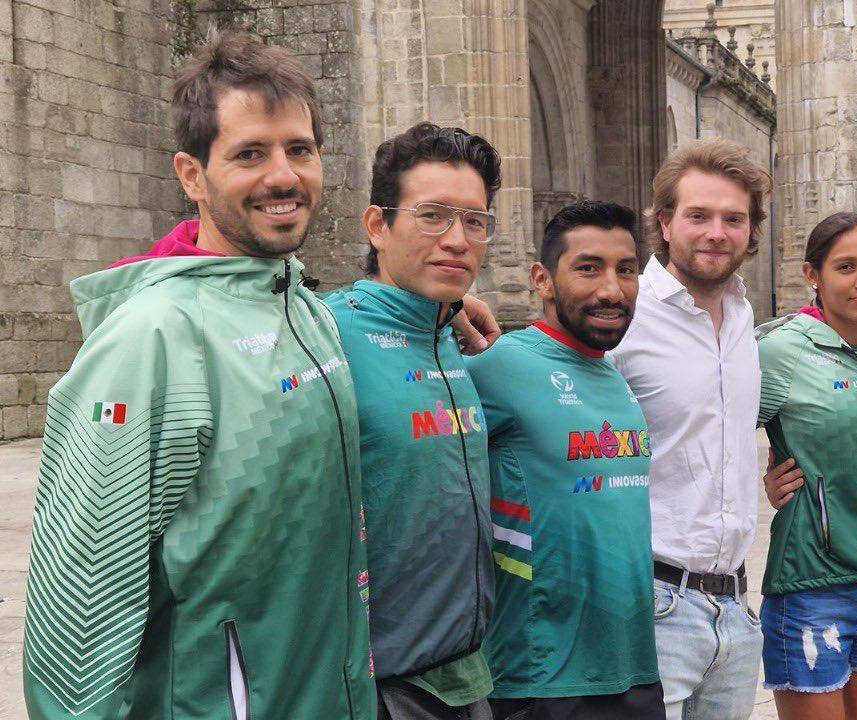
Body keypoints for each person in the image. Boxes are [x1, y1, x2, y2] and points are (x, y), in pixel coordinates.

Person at [23, 33, 378, 719]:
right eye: (250, 154)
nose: (284, 176)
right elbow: (82, 599)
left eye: (299, 150)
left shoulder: (307, 310)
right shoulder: (151, 339)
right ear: (191, 175)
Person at [326, 122, 503, 720]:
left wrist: (448, 311)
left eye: (475, 222)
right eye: (433, 216)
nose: (457, 239)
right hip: (377, 685)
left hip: (465, 674)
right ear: (378, 226)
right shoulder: (322, 334)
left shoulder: (451, 332)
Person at [466, 201, 663, 719]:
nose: (611, 290)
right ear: (542, 280)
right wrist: (445, 316)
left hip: (635, 669)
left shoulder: (616, 376)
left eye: (626, 270)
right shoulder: (500, 366)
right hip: (543, 679)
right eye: (588, 268)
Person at [608, 139, 770, 720]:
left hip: (736, 607)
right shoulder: (624, 313)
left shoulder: (745, 316)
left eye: (734, 219)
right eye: (698, 215)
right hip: (653, 605)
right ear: (665, 222)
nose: (716, 233)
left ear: (753, 232)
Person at [753, 212, 857, 720]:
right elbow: (713, 437)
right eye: (846, 267)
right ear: (812, 275)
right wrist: (760, 481)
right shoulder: (780, 349)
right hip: (811, 585)